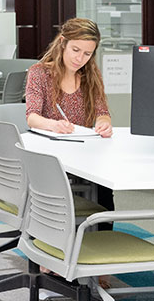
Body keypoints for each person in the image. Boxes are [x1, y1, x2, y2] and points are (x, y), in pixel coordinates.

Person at [25, 17, 114, 220]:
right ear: (63, 42)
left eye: (87, 54)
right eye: (75, 50)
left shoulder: (91, 76)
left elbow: (103, 113)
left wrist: (103, 124)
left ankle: (102, 238)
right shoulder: (39, 73)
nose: (80, 58)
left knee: (104, 187)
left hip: (82, 152)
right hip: (49, 153)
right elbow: (32, 117)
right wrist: (53, 125)